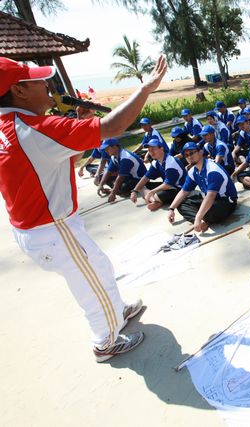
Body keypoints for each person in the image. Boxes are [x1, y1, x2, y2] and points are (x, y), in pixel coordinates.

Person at [0, 55, 167, 361]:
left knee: (98, 267)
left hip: (42, 227)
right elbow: (114, 125)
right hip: (53, 229)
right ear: (19, 91)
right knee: (91, 285)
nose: (47, 84)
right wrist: (145, 88)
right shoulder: (36, 128)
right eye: (37, 80)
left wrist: (75, 126)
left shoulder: (8, 127)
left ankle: (117, 310)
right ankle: (106, 341)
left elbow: (57, 155)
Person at [168, 142, 238, 231]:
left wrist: (198, 216)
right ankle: (201, 222)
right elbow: (184, 191)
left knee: (211, 212)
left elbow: (211, 196)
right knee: (181, 204)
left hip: (226, 201)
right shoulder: (193, 171)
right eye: (186, 155)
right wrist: (171, 209)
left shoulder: (212, 170)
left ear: (200, 152)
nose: (189, 157)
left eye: (192, 153)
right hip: (209, 198)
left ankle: (201, 219)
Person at [130, 137, 185, 211]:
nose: (151, 152)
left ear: (161, 149)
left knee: (156, 194)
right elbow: (146, 177)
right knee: (141, 187)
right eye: (149, 150)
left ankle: (155, 200)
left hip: (180, 189)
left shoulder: (170, 162)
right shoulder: (156, 162)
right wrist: (134, 191)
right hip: (168, 186)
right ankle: (156, 201)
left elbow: (168, 185)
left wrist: (151, 192)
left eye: (153, 149)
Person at [98, 138, 147, 203]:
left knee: (124, 187)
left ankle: (119, 191)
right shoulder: (114, 156)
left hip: (139, 179)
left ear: (114, 147)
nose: (106, 151)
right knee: (101, 177)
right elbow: (108, 171)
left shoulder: (126, 158)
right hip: (128, 177)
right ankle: (118, 190)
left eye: (107, 149)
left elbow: (120, 177)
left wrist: (113, 193)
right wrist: (101, 185)